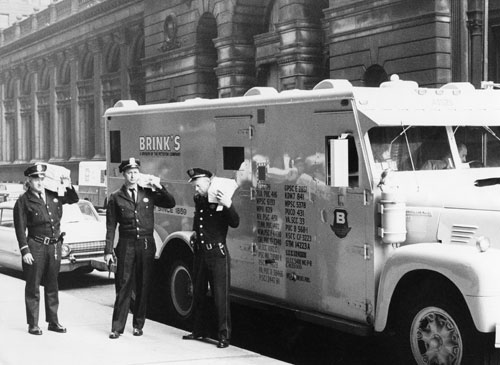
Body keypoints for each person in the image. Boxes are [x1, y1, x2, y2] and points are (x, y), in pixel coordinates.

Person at [104, 157, 175, 339]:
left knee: (144, 285)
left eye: (136, 172)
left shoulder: (148, 193)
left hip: (145, 244)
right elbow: (111, 226)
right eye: (129, 173)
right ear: (123, 175)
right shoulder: (115, 197)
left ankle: (138, 325)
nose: (133, 176)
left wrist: (158, 186)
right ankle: (117, 327)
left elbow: (170, 202)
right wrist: (108, 251)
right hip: (126, 244)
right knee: (124, 285)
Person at [13, 163, 79, 335]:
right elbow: (20, 228)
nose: (40, 182)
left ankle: (53, 321)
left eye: (42, 178)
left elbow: (73, 199)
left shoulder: (53, 195)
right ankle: (33, 324)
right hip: (36, 245)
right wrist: (25, 250)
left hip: (54, 246)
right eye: (36, 179)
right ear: (29, 180)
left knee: (52, 284)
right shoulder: (23, 201)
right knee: (33, 285)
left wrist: (67, 184)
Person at [182, 168, 239, 348]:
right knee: (198, 292)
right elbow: (199, 221)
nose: (196, 189)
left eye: (198, 185)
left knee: (220, 297)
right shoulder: (200, 200)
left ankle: (224, 336)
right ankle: (198, 330)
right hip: (201, 253)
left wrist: (228, 204)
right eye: (195, 186)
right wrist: (195, 234)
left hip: (217, 254)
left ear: (208, 183)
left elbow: (235, 222)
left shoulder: (221, 198)